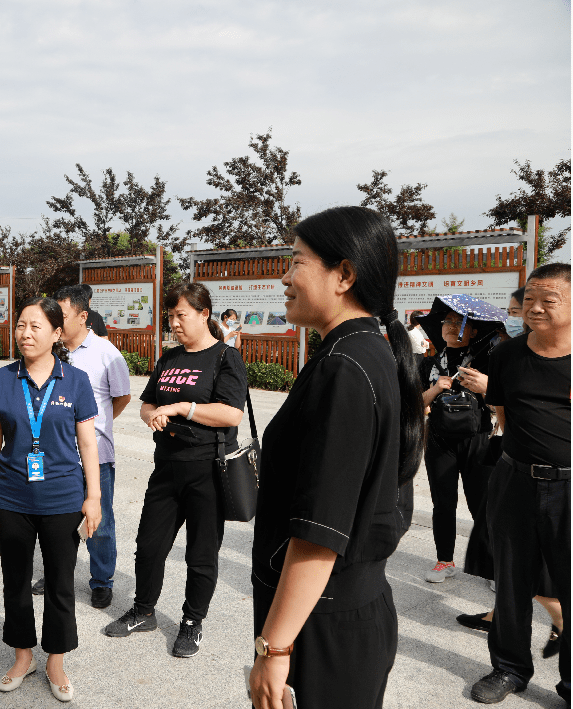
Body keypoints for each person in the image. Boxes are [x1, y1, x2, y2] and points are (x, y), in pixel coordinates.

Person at [248, 206, 425, 709]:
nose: (284, 277)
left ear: (344, 274)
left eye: (297, 262)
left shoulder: (347, 368)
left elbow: (320, 533)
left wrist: (274, 647)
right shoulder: (361, 353)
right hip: (341, 612)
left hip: (322, 626)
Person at [103, 282, 247, 659]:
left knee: (201, 554)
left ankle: (191, 622)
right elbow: (147, 404)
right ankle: (143, 611)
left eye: (182, 315)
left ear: (204, 315)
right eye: (171, 316)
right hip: (166, 468)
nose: (175, 323)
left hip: (207, 470)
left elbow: (231, 414)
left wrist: (184, 408)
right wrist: (154, 415)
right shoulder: (169, 358)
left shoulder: (225, 358)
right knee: (149, 546)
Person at [0, 297, 102, 702]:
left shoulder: (76, 380)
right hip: (12, 497)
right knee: (14, 581)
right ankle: (22, 655)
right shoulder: (2, 379)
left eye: (35, 326)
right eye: (20, 326)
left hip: (63, 499)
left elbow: (88, 442)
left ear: (55, 333)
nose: (25, 334)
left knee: (60, 584)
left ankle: (56, 661)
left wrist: (94, 497)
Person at [470, 263, 570, 704]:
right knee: (510, 581)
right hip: (513, 482)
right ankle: (508, 669)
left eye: (549, 300)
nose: (535, 307)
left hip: (568, 489)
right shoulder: (506, 355)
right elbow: (503, 415)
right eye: (530, 299)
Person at [32, 285, 131, 608]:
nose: (55, 322)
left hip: (96, 455)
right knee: (54, 518)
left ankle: (101, 580)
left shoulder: (106, 353)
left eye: (61, 316)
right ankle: (56, 572)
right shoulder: (48, 351)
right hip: (55, 453)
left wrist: (91, 427)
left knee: (98, 520)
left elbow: (122, 397)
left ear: (83, 316)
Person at [419, 307, 494, 583]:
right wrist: (437, 387)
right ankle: (444, 561)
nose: (451, 326)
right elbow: (416, 405)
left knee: (482, 504)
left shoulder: (485, 361)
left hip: (477, 439)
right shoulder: (427, 363)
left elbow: (501, 401)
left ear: (473, 331)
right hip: (439, 439)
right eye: (446, 322)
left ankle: (492, 568)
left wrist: (484, 385)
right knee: (443, 502)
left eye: (459, 322)